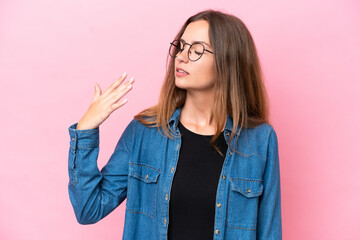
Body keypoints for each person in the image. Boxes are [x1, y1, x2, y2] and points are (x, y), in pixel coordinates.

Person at [67, 10, 282, 240]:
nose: (181, 56)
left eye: (197, 50)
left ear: (227, 61)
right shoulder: (144, 132)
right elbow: (88, 209)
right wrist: (86, 129)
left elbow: (269, 233)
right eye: (181, 46)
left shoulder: (260, 140)